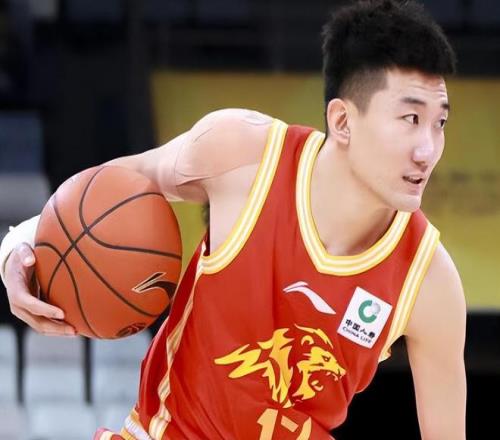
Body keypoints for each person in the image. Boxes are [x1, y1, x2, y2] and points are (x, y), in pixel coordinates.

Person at [0, 1, 466, 438]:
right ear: (343, 121)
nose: (427, 149)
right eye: (410, 119)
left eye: (439, 123)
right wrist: (18, 249)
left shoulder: (430, 281)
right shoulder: (244, 156)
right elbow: (103, 192)